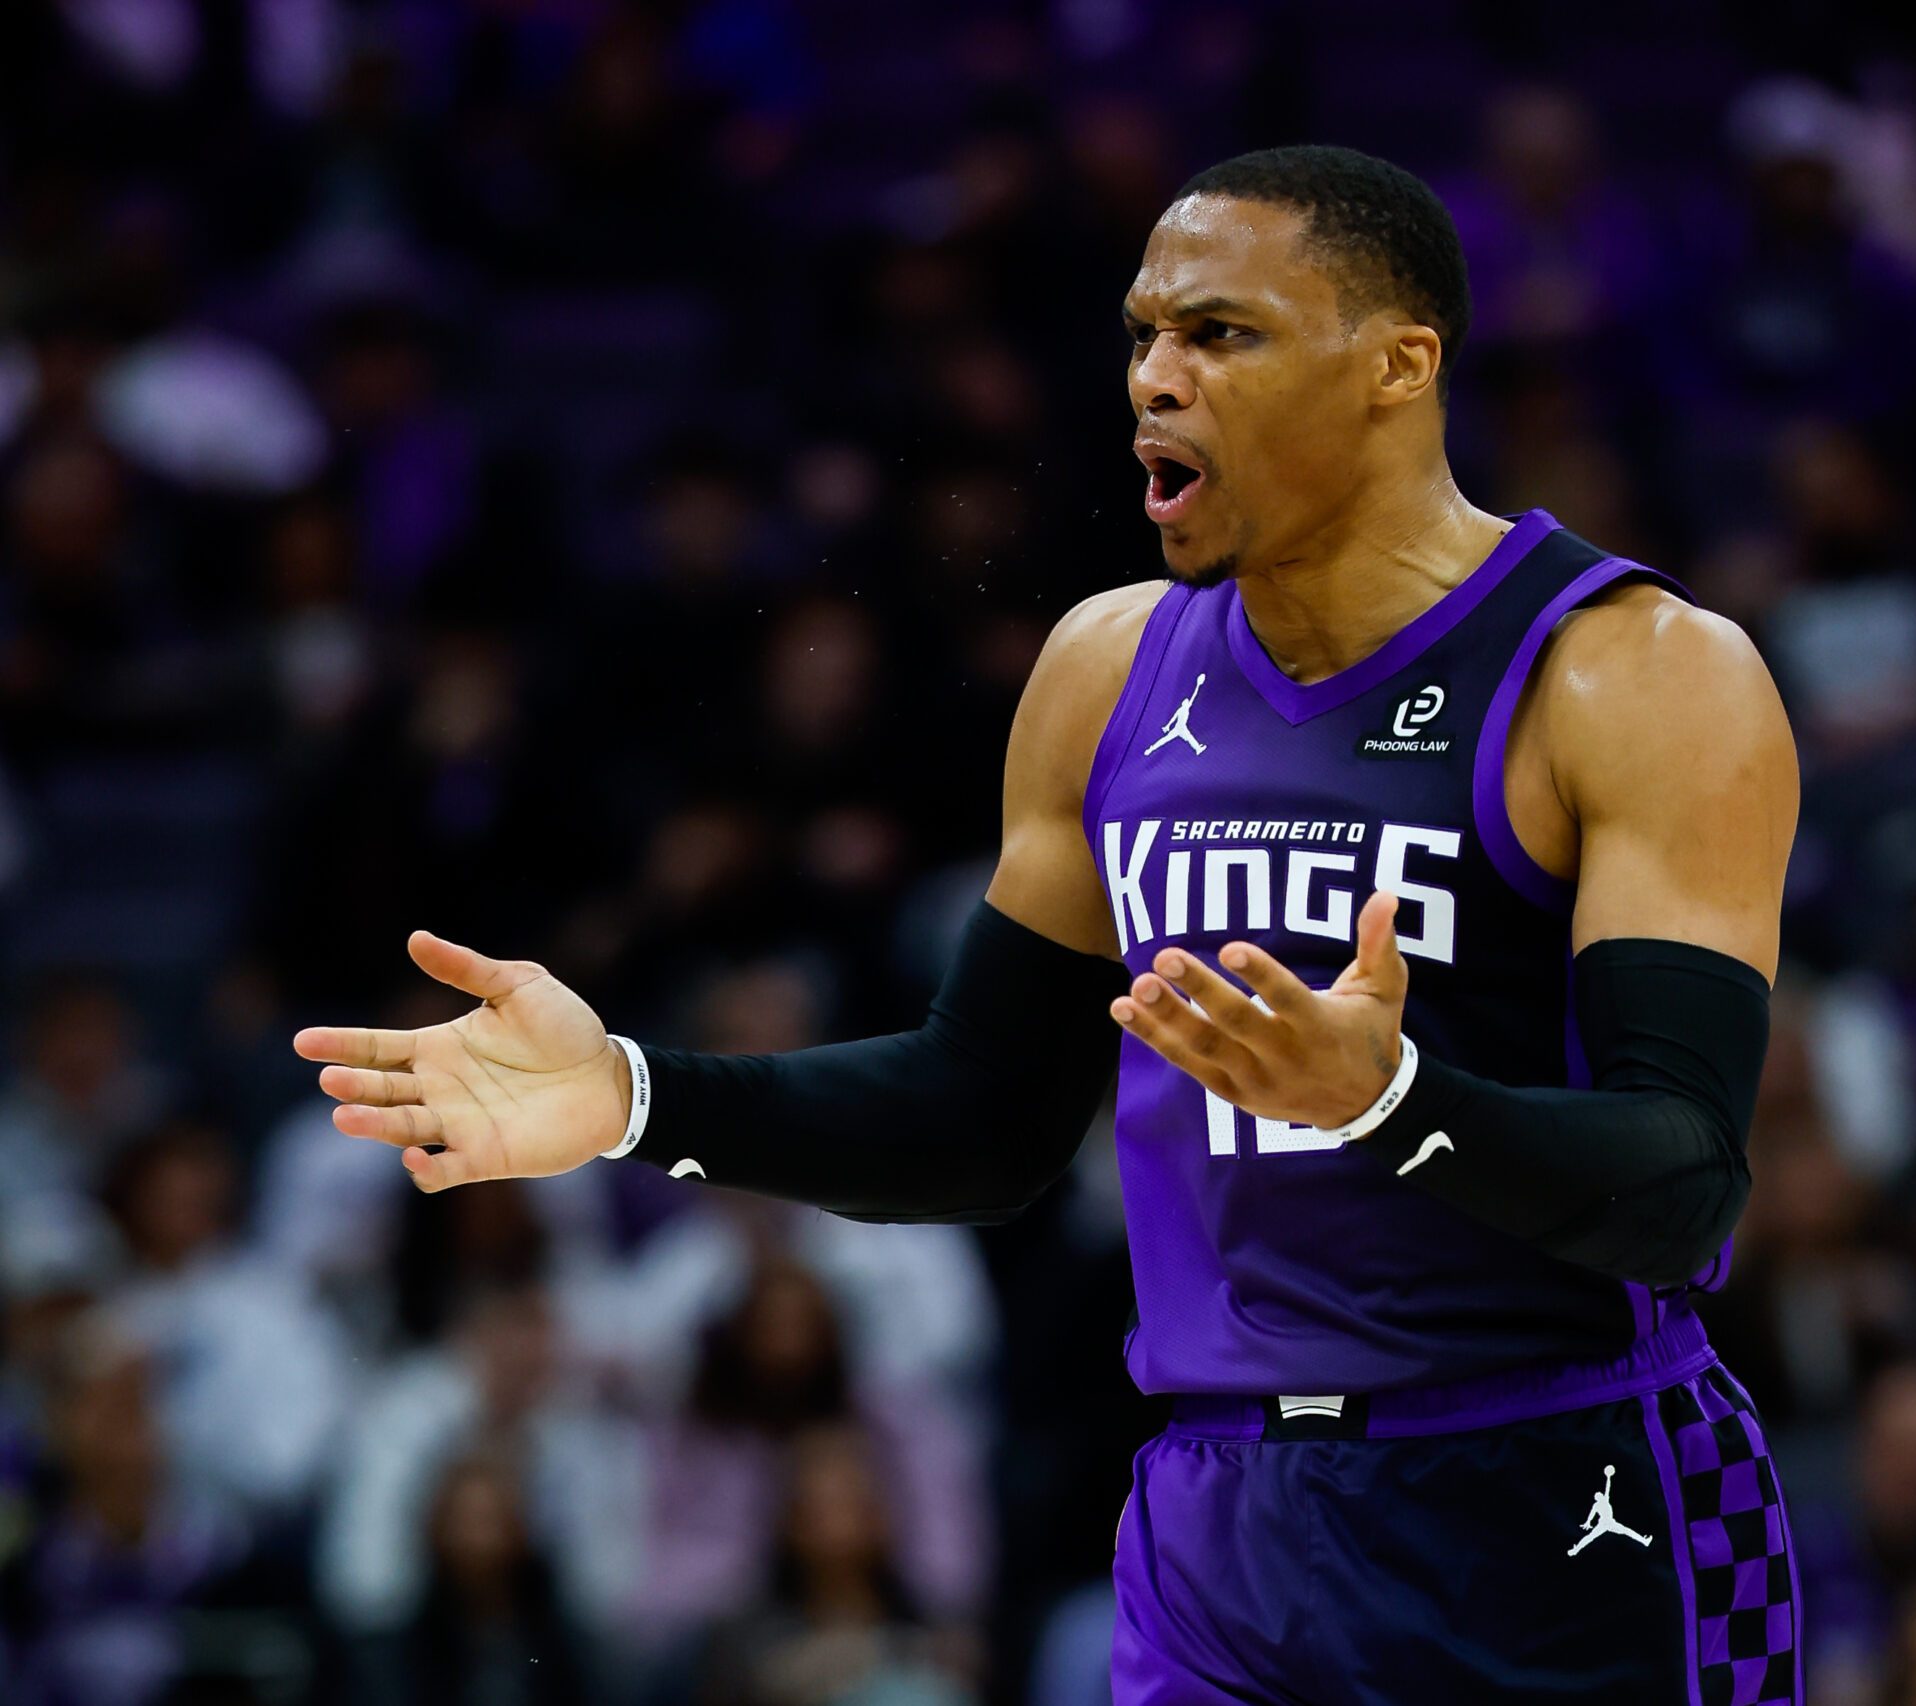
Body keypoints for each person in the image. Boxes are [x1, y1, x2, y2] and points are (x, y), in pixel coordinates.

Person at [294, 144, 1801, 1703]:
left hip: (1567, 1492)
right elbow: (982, 1119)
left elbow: (1681, 1186)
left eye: (1220, 334)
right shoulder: (1105, 669)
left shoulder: (1635, 673)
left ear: (1398, 366)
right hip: (1220, 1524)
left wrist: (1394, 1102)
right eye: (1143, 334)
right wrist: (636, 1096)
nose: (1155, 379)